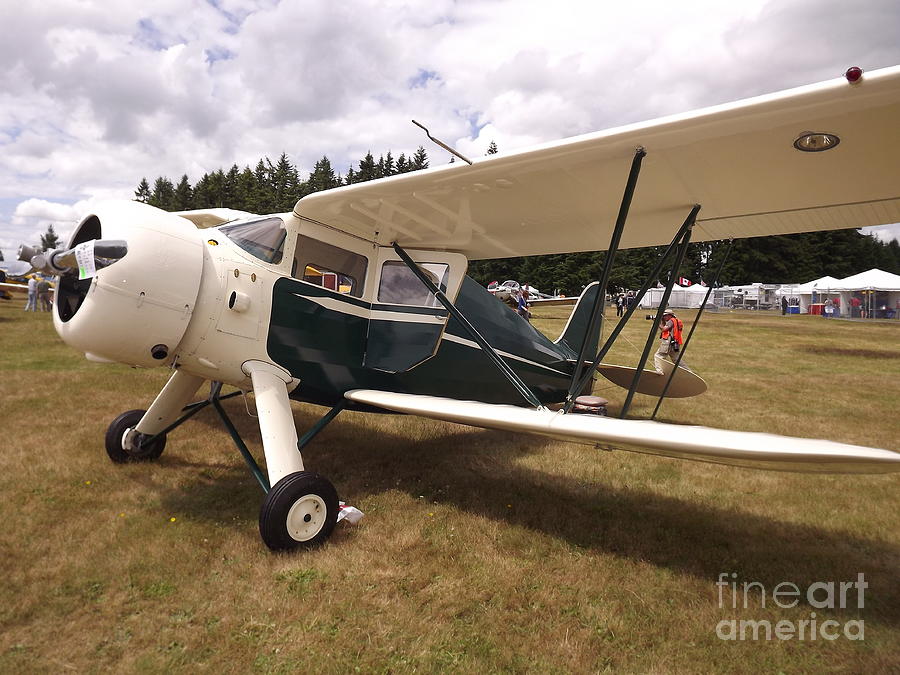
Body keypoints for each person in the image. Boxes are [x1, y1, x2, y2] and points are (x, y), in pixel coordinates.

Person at [654, 309, 684, 373]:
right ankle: (687, 371)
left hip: (668, 343)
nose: (664, 317)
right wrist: (662, 321)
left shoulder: (671, 321)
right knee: (676, 360)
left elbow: (664, 329)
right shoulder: (676, 321)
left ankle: (659, 371)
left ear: (670, 315)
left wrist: (657, 323)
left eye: (665, 316)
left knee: (658, 356)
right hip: (675, 343)